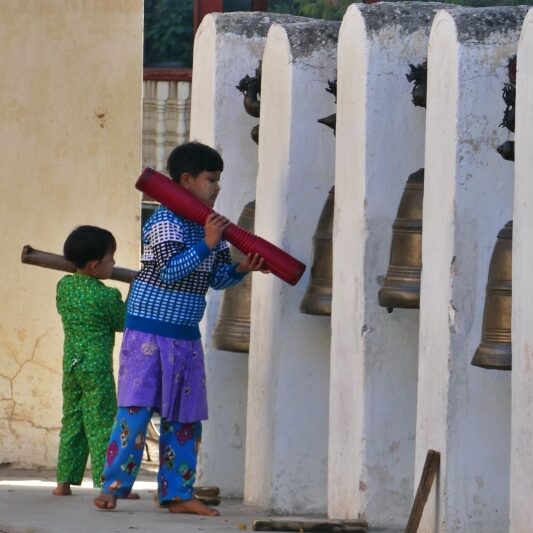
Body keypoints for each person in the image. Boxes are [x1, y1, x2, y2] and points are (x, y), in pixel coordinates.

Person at [94, 141, 267, 515]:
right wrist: (207, 243)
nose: (217, 187)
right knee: (136, 410)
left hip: (186, 334)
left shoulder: (210, 226)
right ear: (186, 180)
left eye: (218, 180)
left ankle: (177, 494)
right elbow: (171, 271)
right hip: (148, 330)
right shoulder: (163, 222)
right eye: (211, 180)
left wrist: (241, 268)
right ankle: (112, 487)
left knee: (185, 417)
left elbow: (216, 279)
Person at [53, 225, 132, 497]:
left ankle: (63, 482)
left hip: (71, 366)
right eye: (111, 258)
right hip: (96, 368)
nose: (114, 263)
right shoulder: (106, 296)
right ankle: (108, 484)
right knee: (102, 425)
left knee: (72, 422)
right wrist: (133, 290)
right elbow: (123, 322)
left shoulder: (64, 286)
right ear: (95, 265)